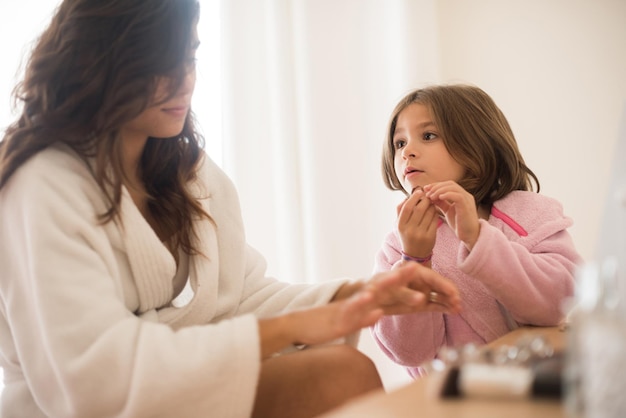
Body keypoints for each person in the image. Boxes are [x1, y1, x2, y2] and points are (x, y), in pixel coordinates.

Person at [0, 2, 462, 417]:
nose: (185, 79)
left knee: (345, 371)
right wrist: (290, 328)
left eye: (190, 56)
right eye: (162, 62)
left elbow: (237, 297)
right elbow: (93, 380)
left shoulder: (188, 171)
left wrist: (359, 298)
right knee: (339, 375)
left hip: (173, 390)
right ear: (100, 61)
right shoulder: (40, 184)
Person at [371, 84, 582, 378]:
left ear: (477, 144)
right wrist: (415, 262)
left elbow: (561, 299)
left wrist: (477, 238)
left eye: (428, 135)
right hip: (451, 399)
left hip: (537, 382)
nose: (408, 152)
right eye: (399, 143)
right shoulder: (397, 246)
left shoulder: (530, 212)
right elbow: (408, 352)